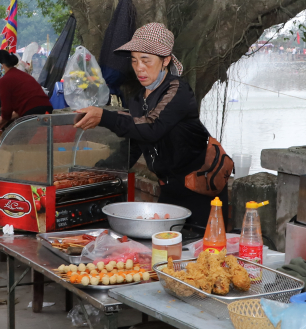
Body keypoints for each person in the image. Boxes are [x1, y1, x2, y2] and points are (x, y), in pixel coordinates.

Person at [72, 23, 222, 225]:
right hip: (169, 190)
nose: (139, 68)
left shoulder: (178, 90)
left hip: (201, 191)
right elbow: (134, 145)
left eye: (145, 60)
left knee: (201, 243)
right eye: (134, 60)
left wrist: (105, 117)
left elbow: (152, 128)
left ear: (165, 60)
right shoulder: (137, 100)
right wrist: (97, 173)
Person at [0, 50, 53, 128]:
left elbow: (6, 109)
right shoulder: (22, 74)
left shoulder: (4, 79)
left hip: (33, 113)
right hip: (47, 108)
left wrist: (2, 119)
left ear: (0, 66)